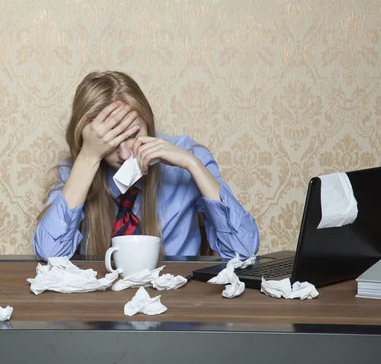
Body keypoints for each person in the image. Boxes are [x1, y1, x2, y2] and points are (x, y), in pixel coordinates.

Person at [33, 71, 259, 260]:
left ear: (148, 123)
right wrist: (88, 157)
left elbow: (244, 250)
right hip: (102, 304)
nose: (124, 154)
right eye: (110, 142)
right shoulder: (79, 168)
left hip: (176, 302)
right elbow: (51, 255)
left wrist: (192, 164)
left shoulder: (186, 157)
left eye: (132, 135)